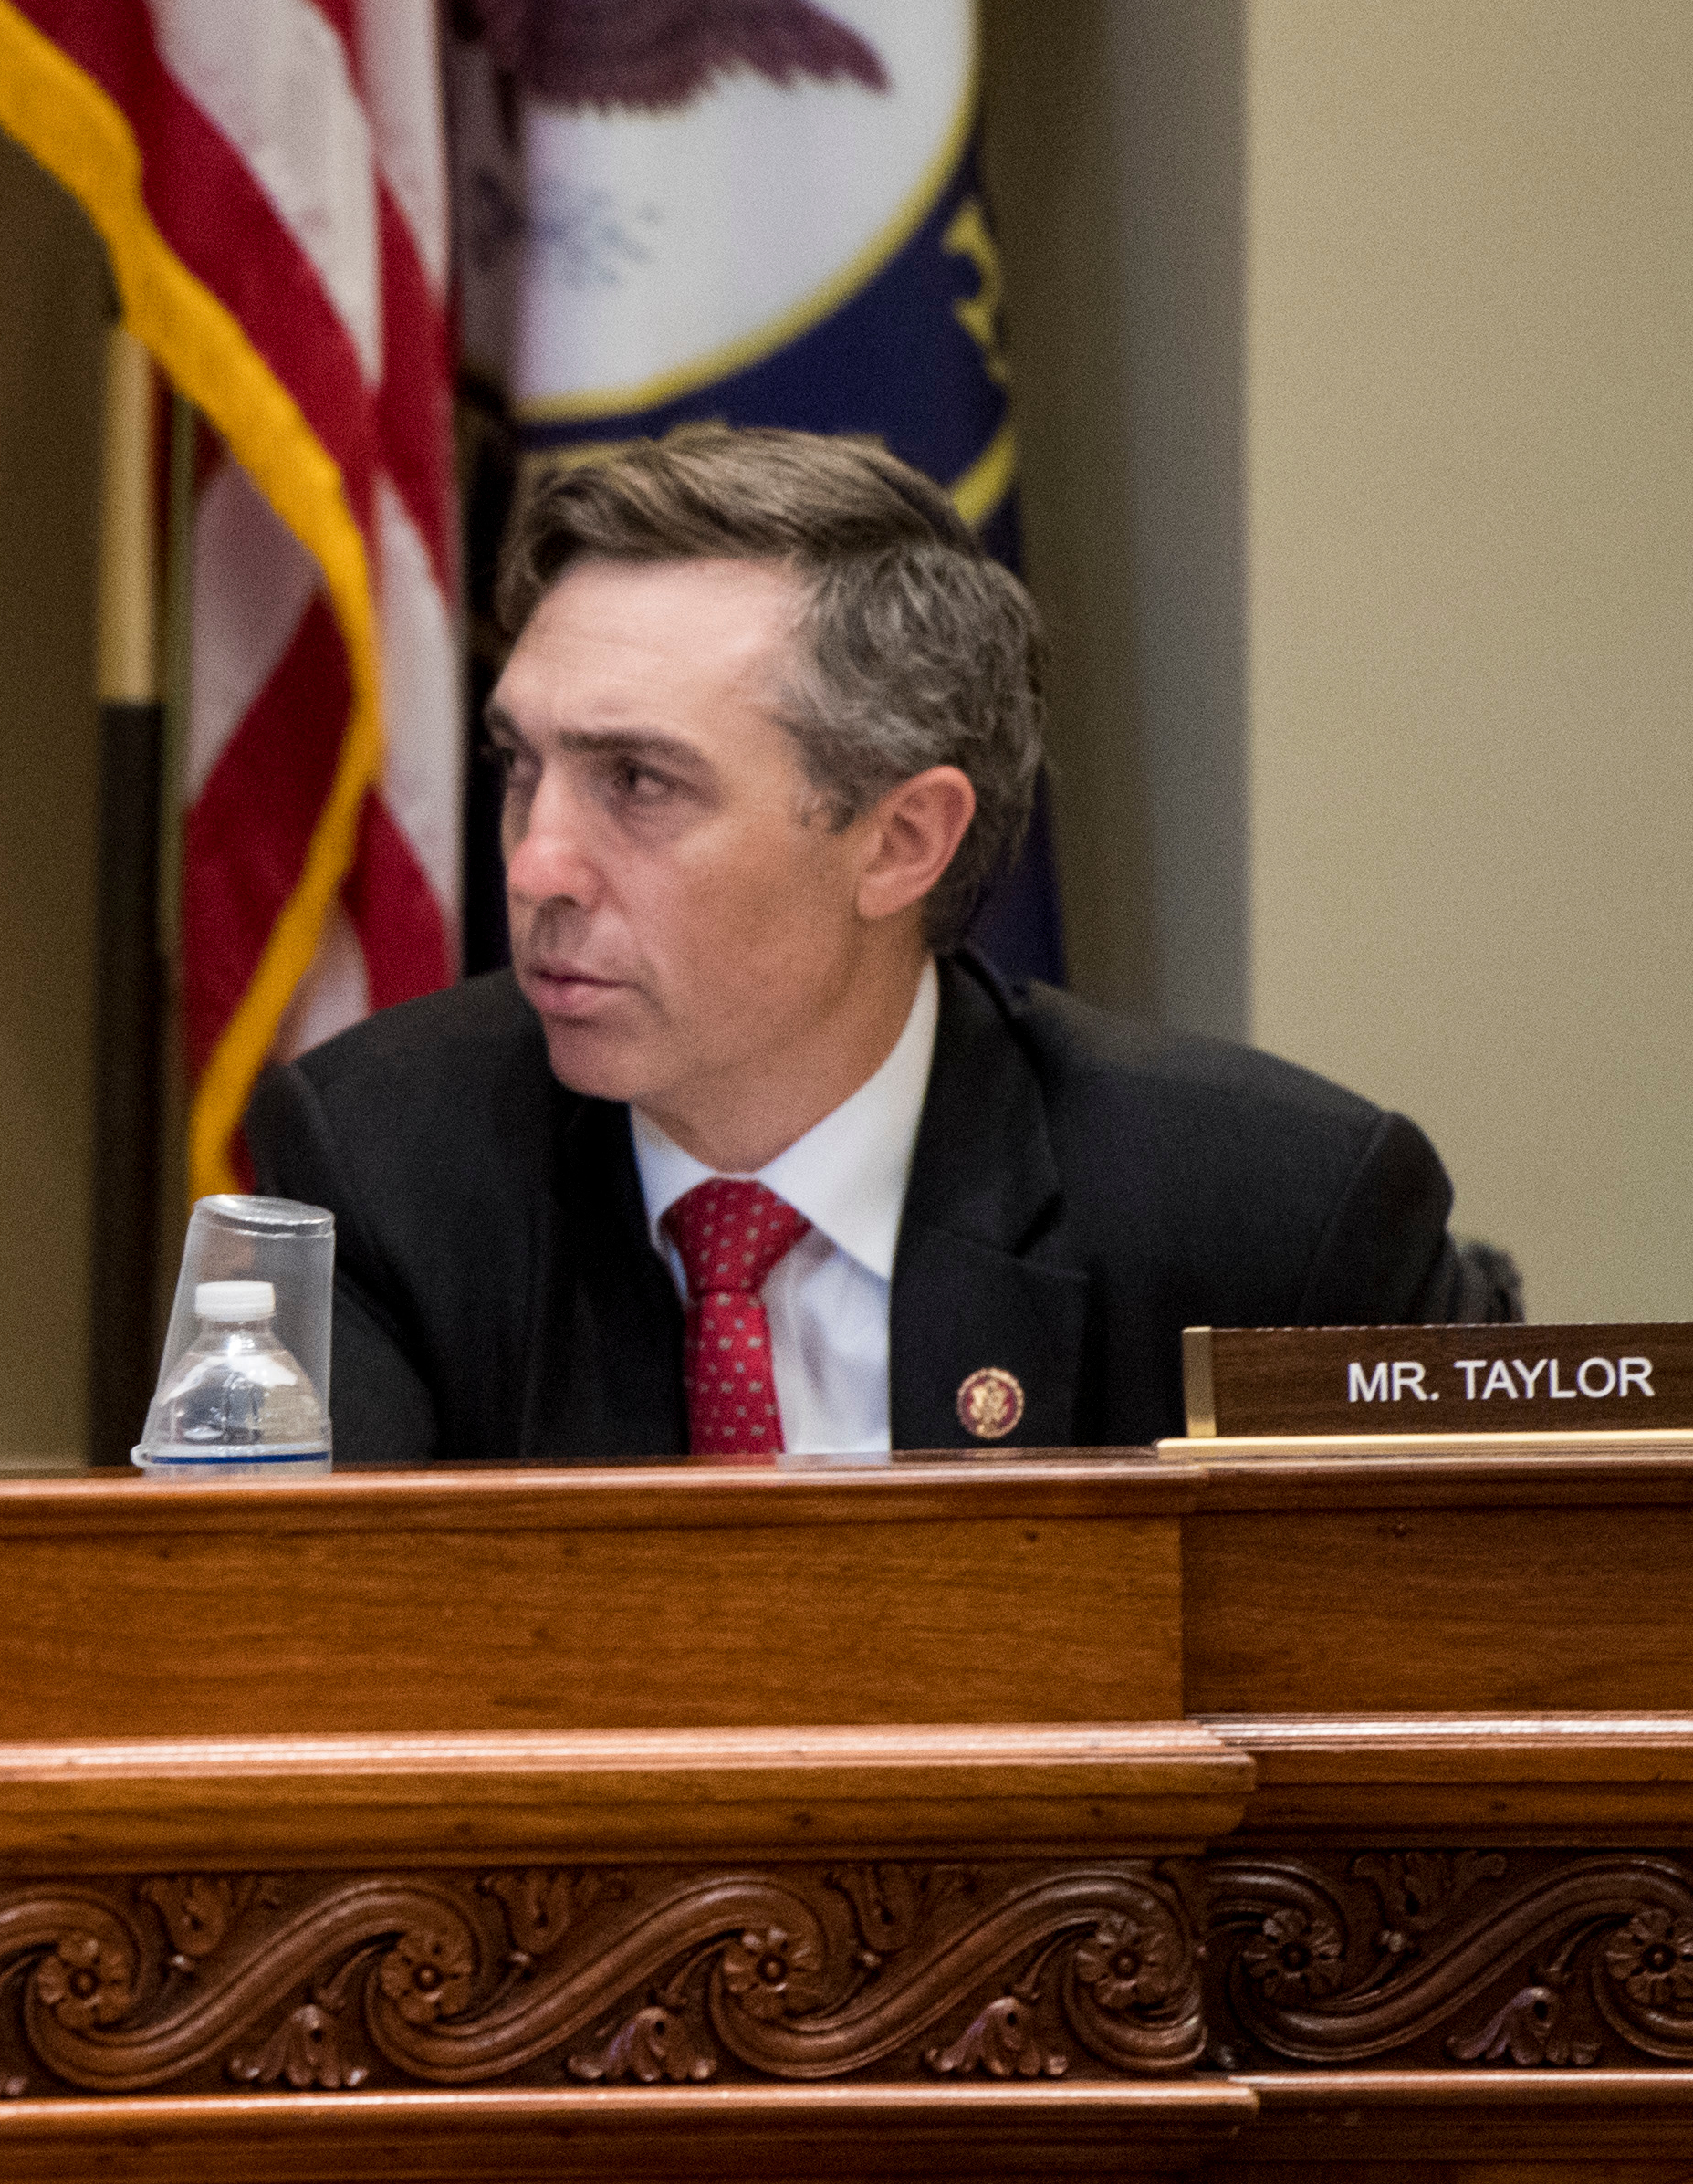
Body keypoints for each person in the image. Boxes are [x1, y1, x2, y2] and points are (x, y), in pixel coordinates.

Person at [246, 425, 1494, 1463]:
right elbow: (304, 1684)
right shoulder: (379, 1166)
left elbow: (1457, 1692)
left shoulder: (1275, 1220)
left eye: (635, 782)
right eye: (521, 768)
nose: (532, 866)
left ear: (899, 840)